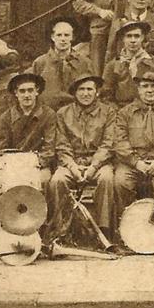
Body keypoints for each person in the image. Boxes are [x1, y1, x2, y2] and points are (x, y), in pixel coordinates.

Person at [0, 73, 57, 252]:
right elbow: (0, 147)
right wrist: (13, 164)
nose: (27, 95)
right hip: (12, 164)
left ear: (37, 92)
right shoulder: (7, 117)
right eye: (22, 91)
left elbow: (50, 147)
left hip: (38, 164)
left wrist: (36, 164)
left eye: (30, 90)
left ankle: (44, 233)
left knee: (46, 181)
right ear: (16, 93)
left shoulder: (48, 115)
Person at [110, 67, 154, 239]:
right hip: (134, 162)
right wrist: (136, 162)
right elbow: (119, 141)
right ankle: (126, 231)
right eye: (145, 86)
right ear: (139, 89)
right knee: (120, 181)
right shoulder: (126, 113)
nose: (149, 90)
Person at [46, 74, 116, 245]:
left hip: (99, 162)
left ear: (97, 92)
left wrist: (93, 166)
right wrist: (72, 166)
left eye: (90, 89)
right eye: (81, 89)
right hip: (72, 162)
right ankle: (61, 231)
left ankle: (103, 232)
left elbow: (108, 143)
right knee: (57, 180)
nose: (86, 93)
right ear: (75, 93)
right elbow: (61, 144)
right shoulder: (63, 114)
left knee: (107, 179)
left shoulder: (108, 112)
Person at [27, 17, 95, 110]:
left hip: (76, 114)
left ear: (72, 37)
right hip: (48, 115)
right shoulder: (40, 63)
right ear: (52, 37)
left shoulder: (85, 63)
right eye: (59, 35)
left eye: (66, 35)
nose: (63, 39)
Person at [101, 21, 154, 105]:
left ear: (142, 38)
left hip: (148, 109)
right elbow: (106, 96)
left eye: (136, 36)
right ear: (123, 38)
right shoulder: (113, 65)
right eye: (129, 36)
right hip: (122, 110)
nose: (133, 40)